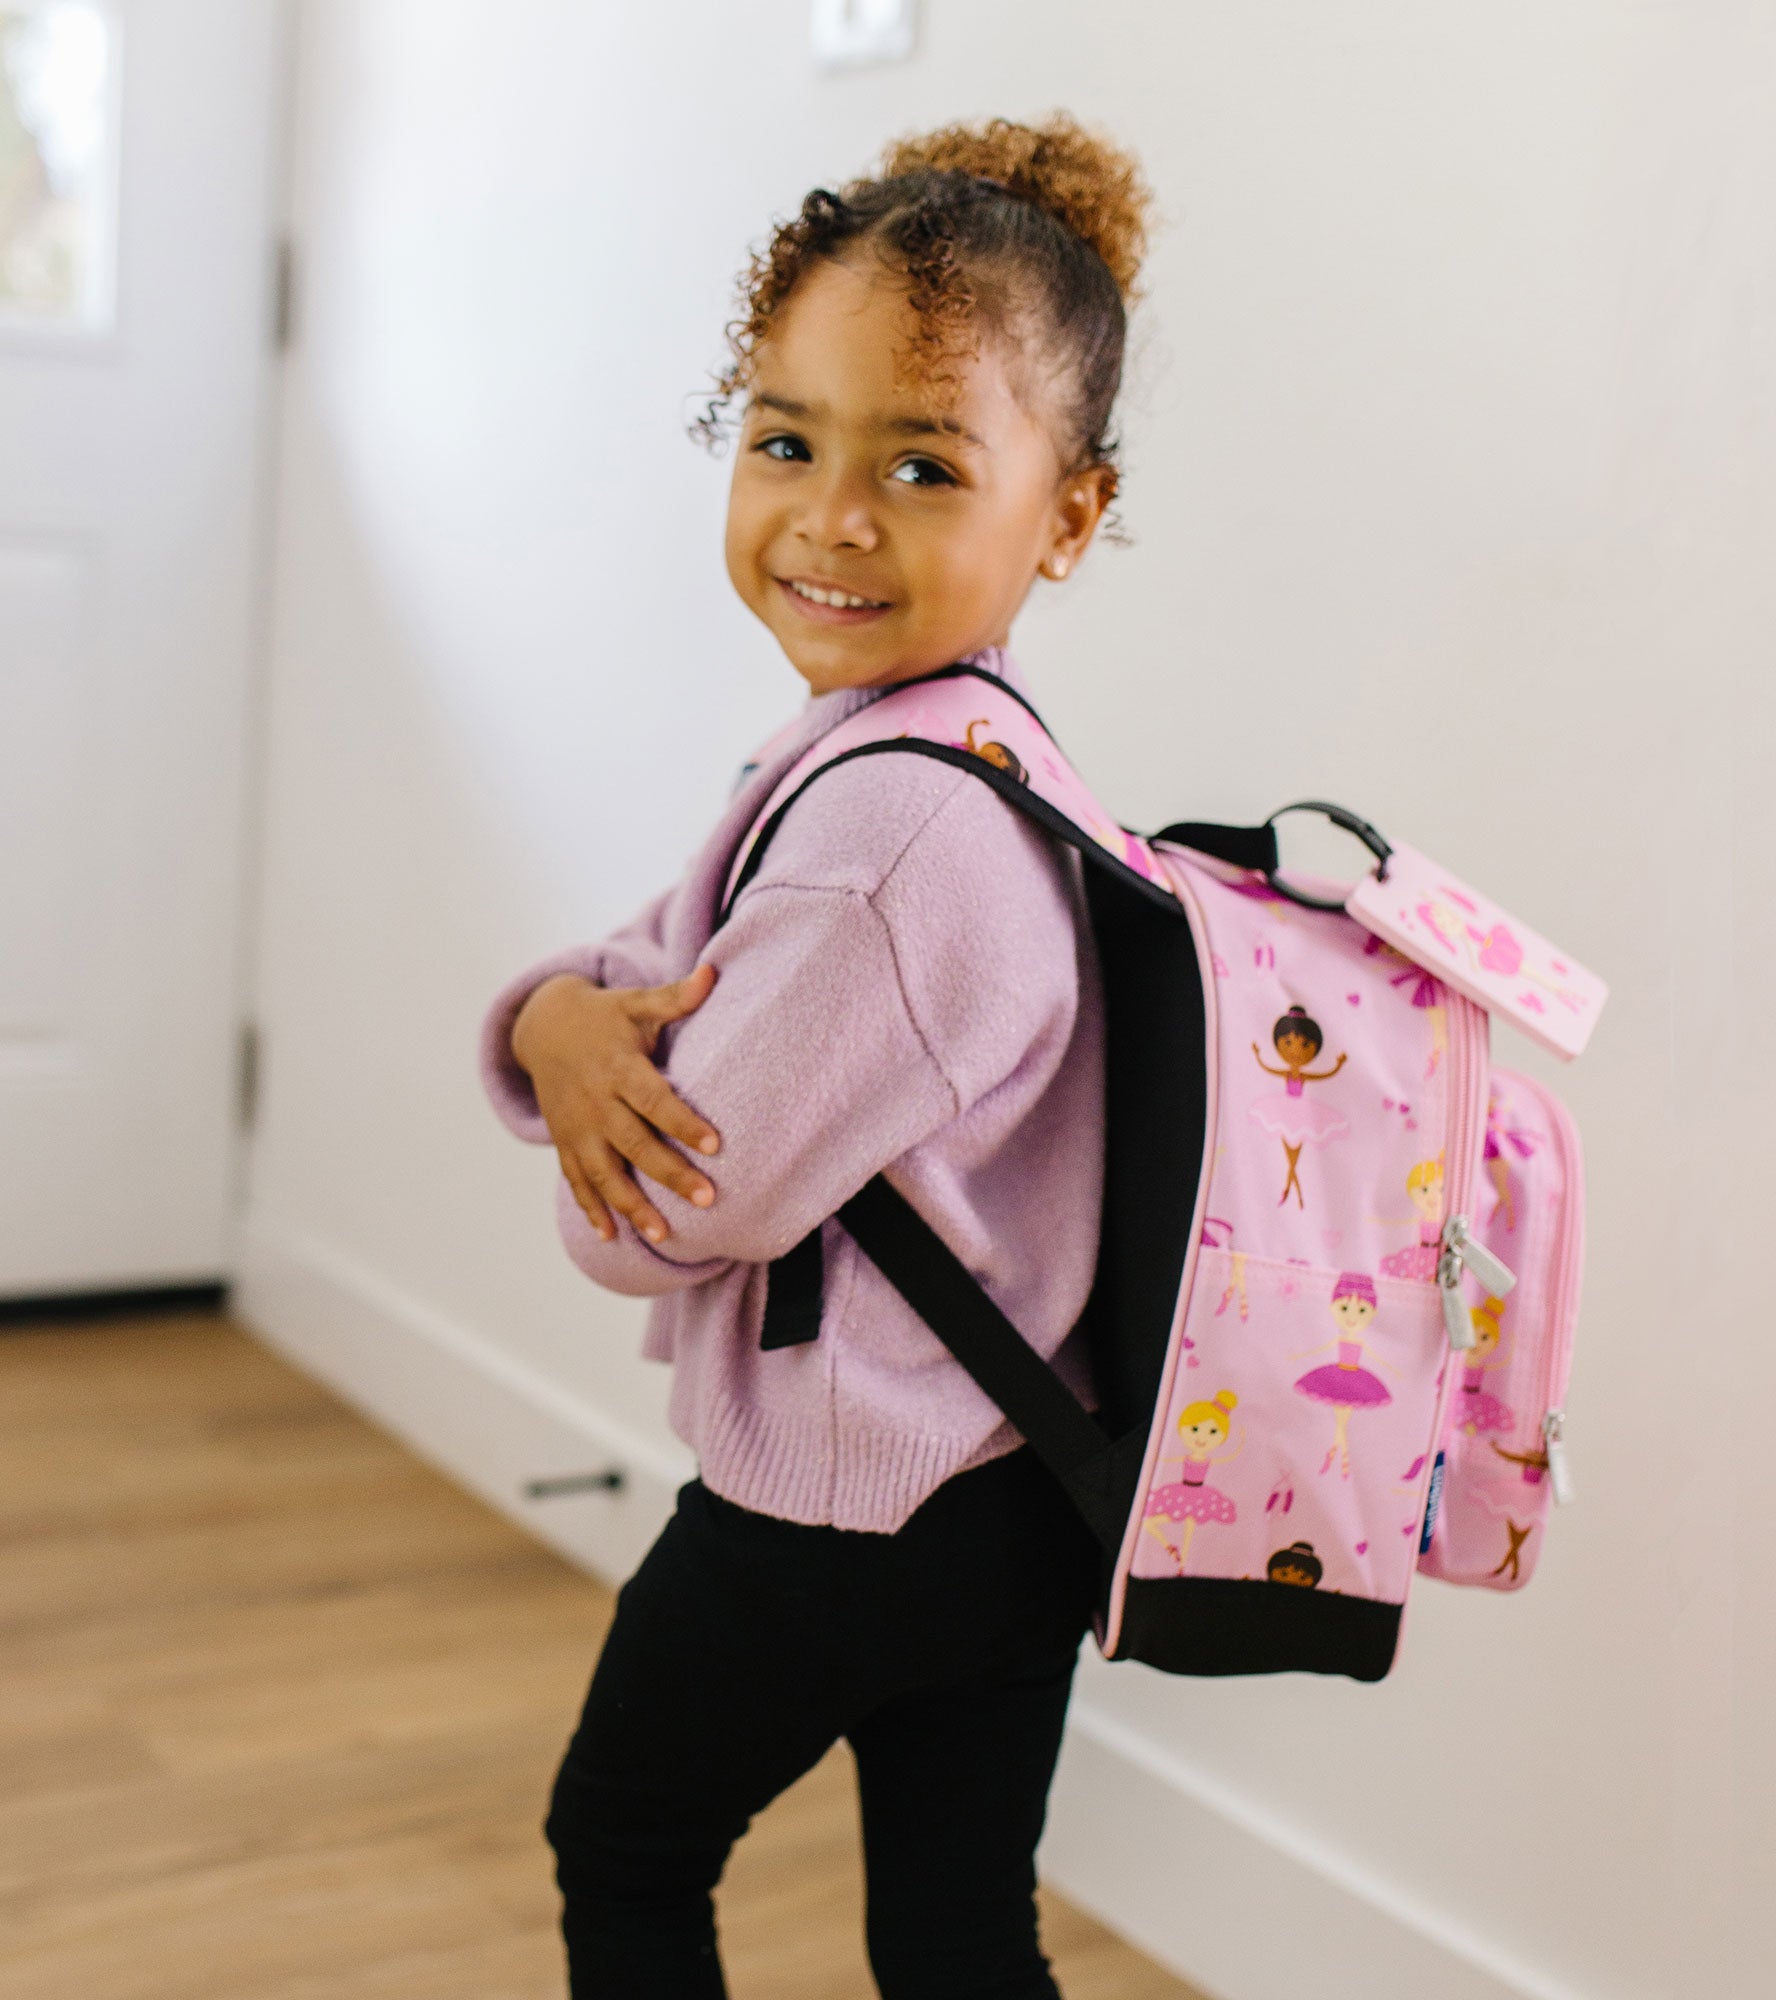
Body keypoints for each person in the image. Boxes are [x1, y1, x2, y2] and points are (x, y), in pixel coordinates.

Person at [477, 116, 1150, 2000]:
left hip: (837, 1510)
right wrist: (554, 1022)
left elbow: (673, 1203)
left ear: (1067, 516)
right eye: (786, 439)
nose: (833, 515)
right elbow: (654, 961)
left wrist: (599, 1156)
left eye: (923, 464)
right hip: (1019, 1481)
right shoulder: (951, 751)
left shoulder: (893, 839)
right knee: (954, 1930)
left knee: (624, 1844)